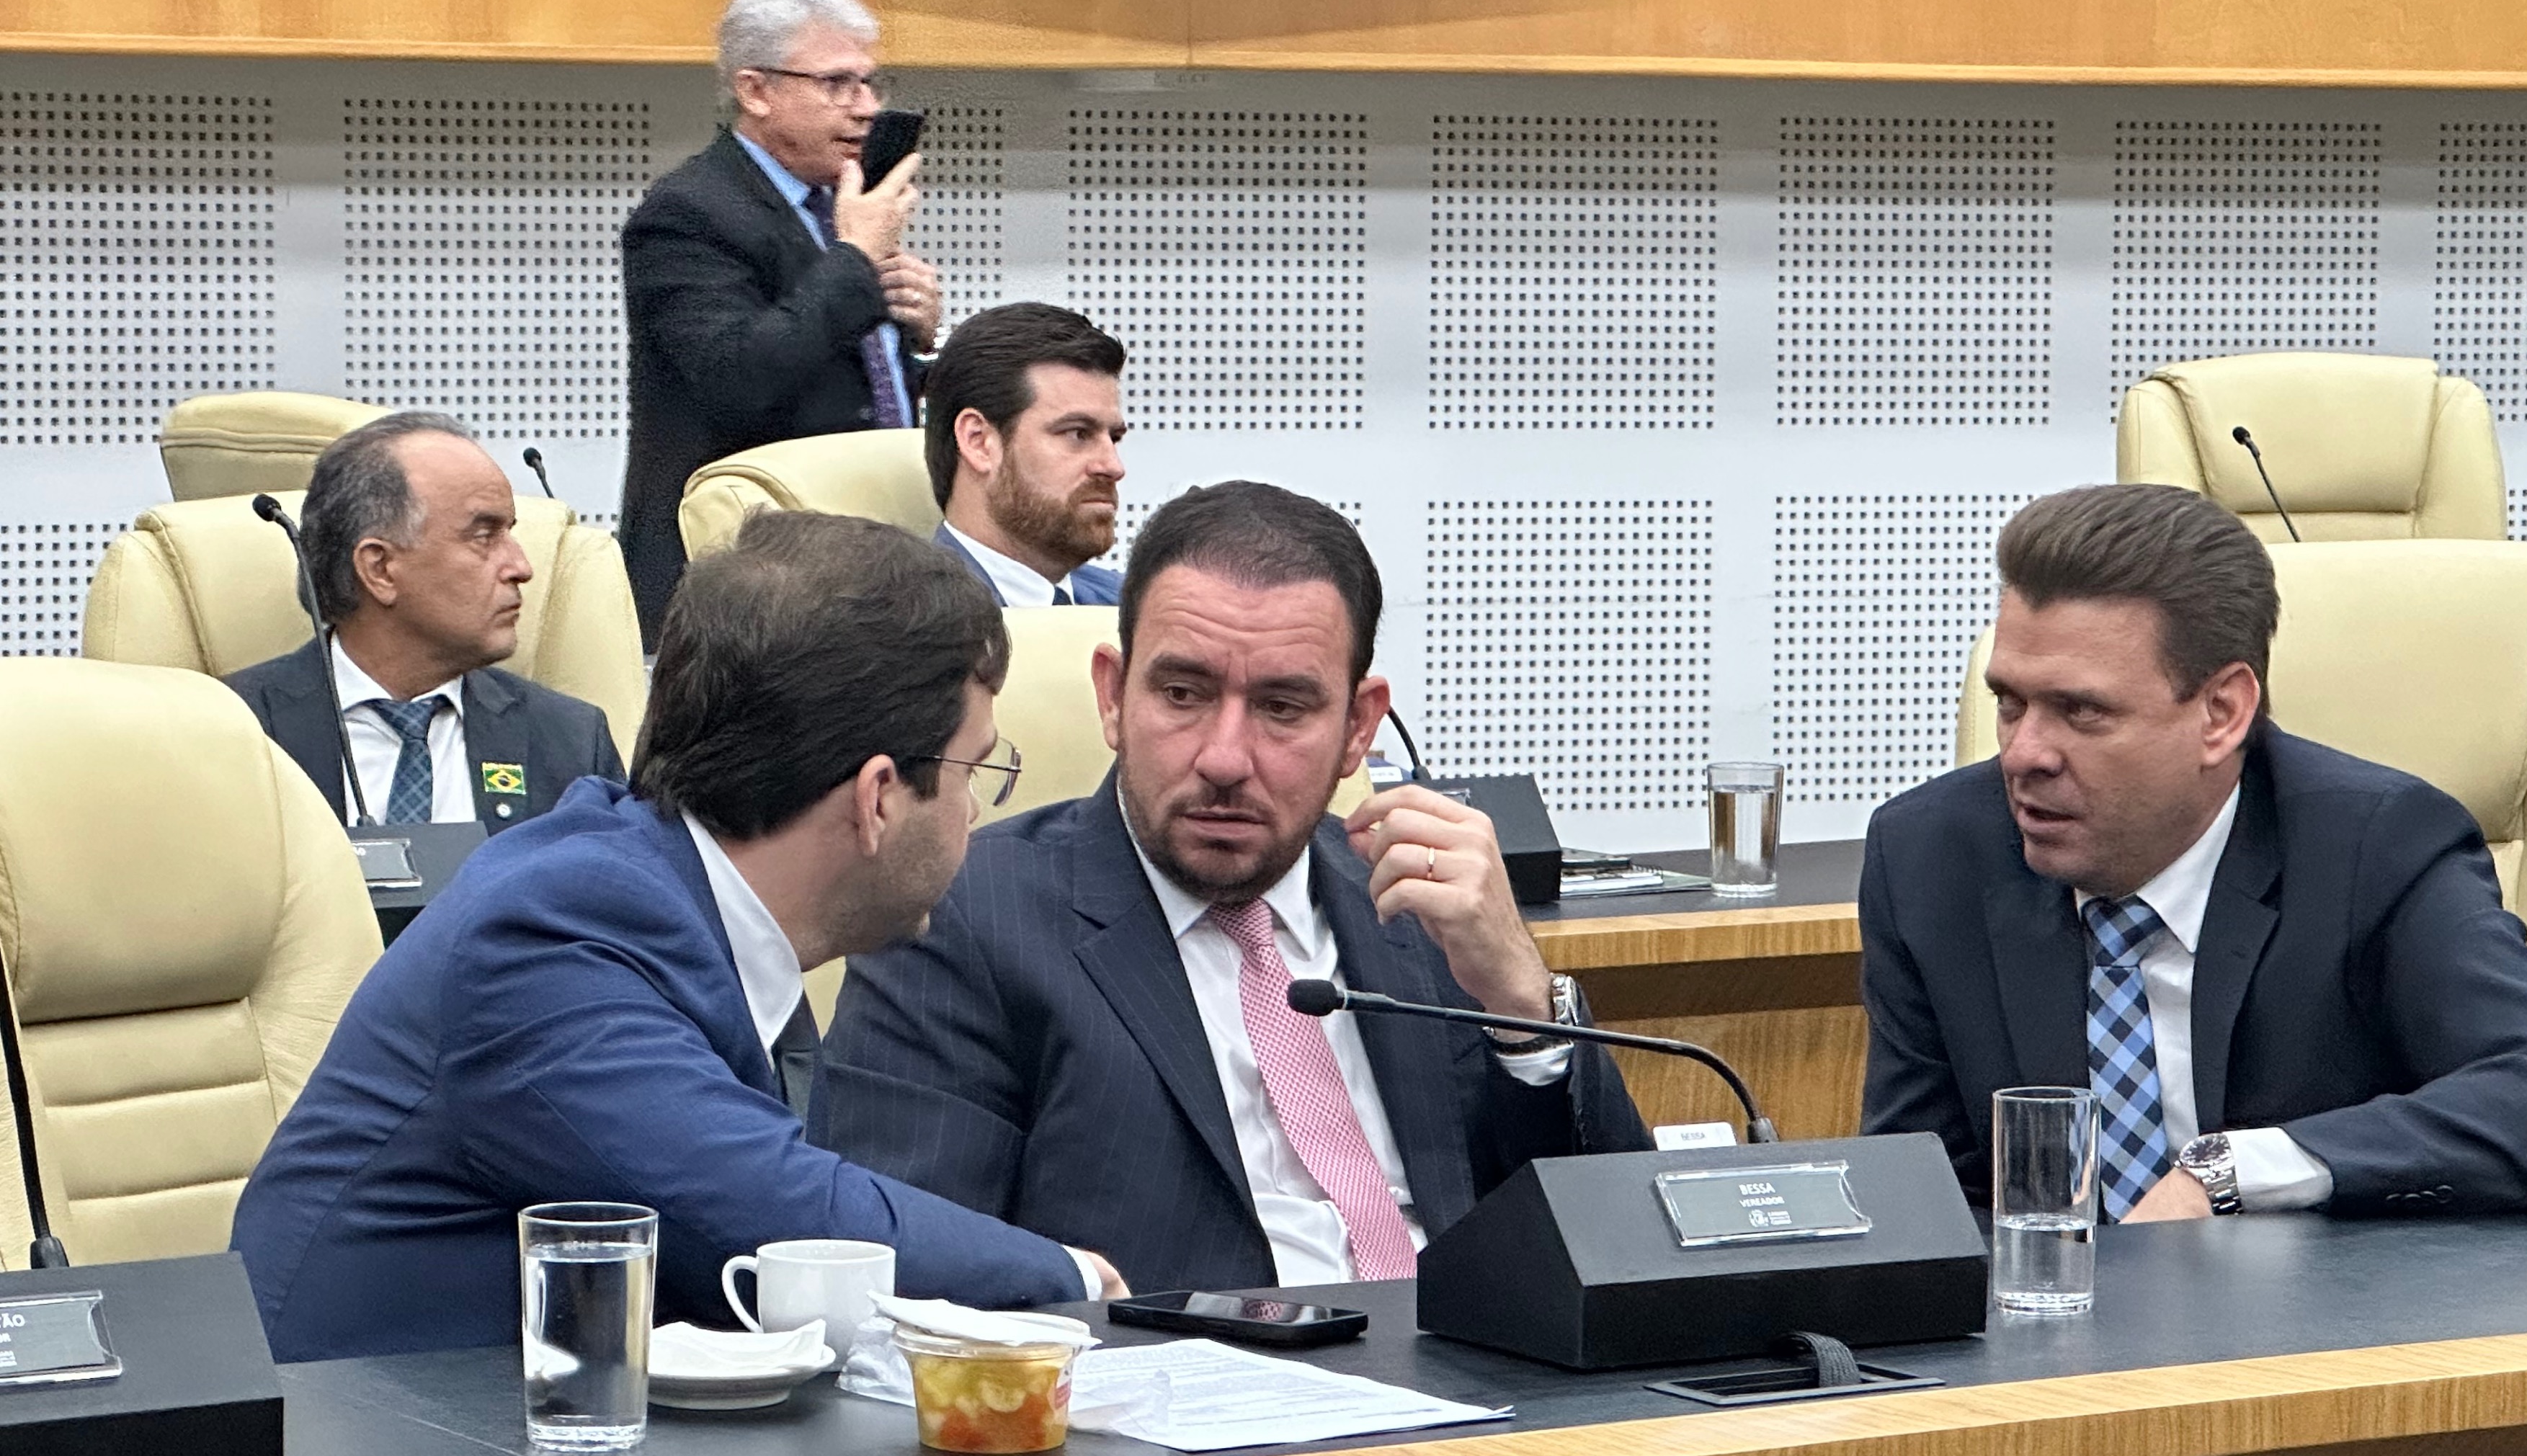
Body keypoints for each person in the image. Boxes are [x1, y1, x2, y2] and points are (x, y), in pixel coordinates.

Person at [234, 511, 1123, 1363]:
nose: (975, 811)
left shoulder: (681, 905)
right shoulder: (550, 935)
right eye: (975, 770)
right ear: (878, 798)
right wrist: (1076, 1281)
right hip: (365, 1451)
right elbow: (782, 1223)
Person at [817, 481, 1651, 1291]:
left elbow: (1628, 1254)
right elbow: (906, 1283)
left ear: (1357, 728)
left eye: (1281, 707)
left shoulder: (1417, 912)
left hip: (1461, 1371)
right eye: (1182, 694)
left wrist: (1522, 1005)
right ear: (1113, 696)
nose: (1223, 758)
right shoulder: (959, 917)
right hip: (1171, 1378)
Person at [1859, 481, 2527, 1222]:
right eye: (2010, 703)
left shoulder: (2375, 850)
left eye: (2082, 711)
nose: (2025, 753)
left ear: (2221, 714)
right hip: (2054, 1313)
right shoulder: (1930, 858)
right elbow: (1922, 1198)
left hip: (2312, 1309)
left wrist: (2236, 1172)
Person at [619, 0, 940, 640]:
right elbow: (738, 376)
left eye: (870, 83)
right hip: (746, 584)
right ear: (756, 91)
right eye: (837, 84)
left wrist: (918, 342)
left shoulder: (839, 208)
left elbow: (849, 386)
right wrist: (855, 260)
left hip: (868, 562)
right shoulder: (687, 214)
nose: (866, 108)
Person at [227, 411, 625, 832]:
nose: (521, 567)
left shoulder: (570, 741)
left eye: (509, 533)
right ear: (380, 569)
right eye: (484, 536)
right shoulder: (231, 731)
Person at [922, 301, 1128, 607]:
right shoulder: (901, 622)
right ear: (979, 442)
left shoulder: (1137, 610)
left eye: (1114, 438)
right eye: (1078, 434)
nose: (1113, 466)